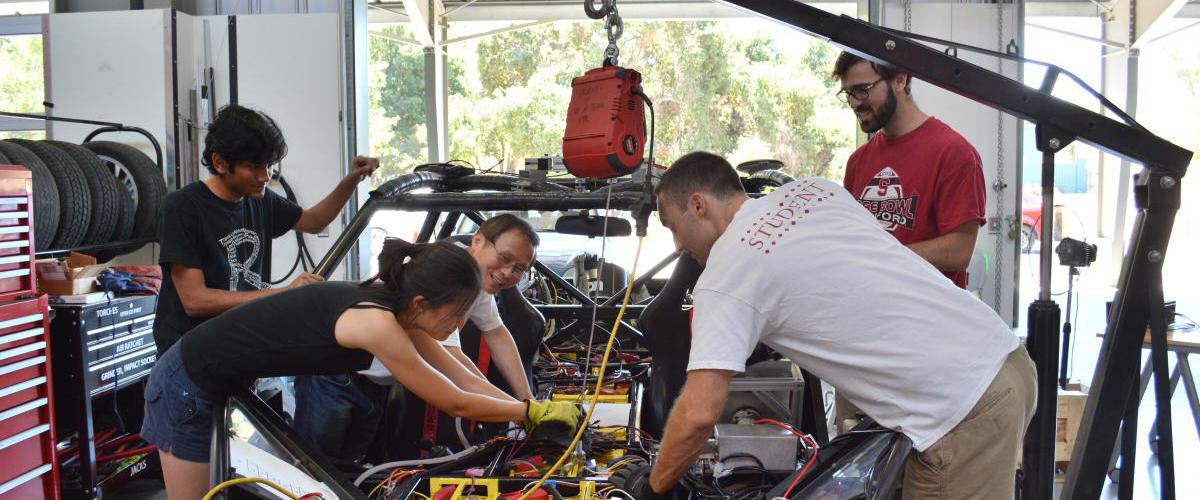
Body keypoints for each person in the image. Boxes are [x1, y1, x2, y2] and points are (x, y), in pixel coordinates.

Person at [614, 152, 1034, 499]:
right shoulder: (815, 190)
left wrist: (651, 487)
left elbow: (699, 414)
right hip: (1004, 354)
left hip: (962, 409)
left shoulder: (726, 275)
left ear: (699, 205)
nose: (678, 245)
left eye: (672, 227)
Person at [140, 240, 580, 499]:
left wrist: (526, 406)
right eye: (457, 314)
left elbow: (461, 373)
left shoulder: (399, 308)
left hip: (216, 380)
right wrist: (526, 416)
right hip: (186, 383)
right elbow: (450, 399)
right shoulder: (377, 323)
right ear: (424, 303)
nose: (461, 325)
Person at [294, 214, 541, 461]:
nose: (508, 272)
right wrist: (527, 412)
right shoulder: (450, 274)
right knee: (314, 468)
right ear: (478, 241)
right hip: (337, 376)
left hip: (374, 382)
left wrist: (527, 400)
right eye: (505, 258)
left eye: (519, 268)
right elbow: (457, 372)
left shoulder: (474, 273)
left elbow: (495, 332)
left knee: (347, 469)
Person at [153, 104, 379, 354]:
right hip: (188, 355)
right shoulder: (183, 207)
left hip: (238, 343)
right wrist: (283, 293)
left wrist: (353, 179)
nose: (264, 176)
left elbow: (315, 221)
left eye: (269, 165)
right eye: (253, 166)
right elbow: (195, 300)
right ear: (220, 162)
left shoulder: (259, 200)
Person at [834, 52, 986, 289]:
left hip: (928, 317)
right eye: (848, 93)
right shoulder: (858, 161)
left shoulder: (954, 153)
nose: (854, 102)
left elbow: (960, 250)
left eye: (863, 89)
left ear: (899, 80)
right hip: (872, 310)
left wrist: (884, 257)